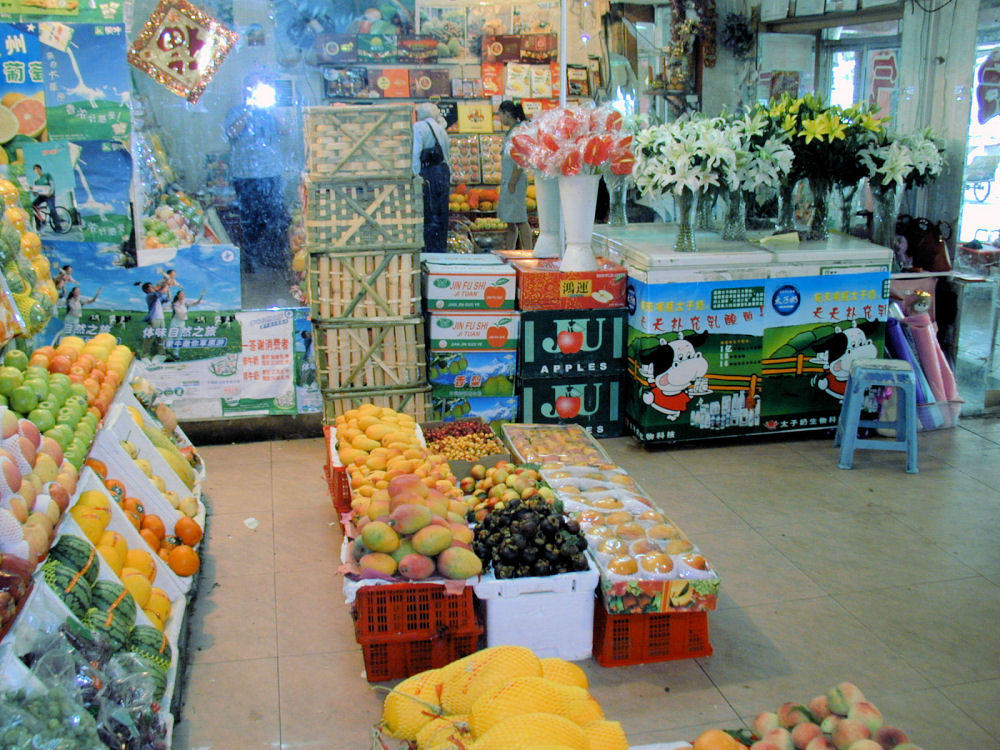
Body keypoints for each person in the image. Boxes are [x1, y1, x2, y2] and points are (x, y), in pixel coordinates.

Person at [225, 74, 291, 283]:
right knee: (250, 220)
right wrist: (249, 110)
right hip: (245, 175)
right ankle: (250, 259)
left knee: (275, 218)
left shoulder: (270, 112)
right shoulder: (236, 111)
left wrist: (271, 110)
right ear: (245, 89)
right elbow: (230, 133)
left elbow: (285, 131)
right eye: (251, 87)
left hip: (271, 172)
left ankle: (275, 258)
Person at [411, 102, 451, 253]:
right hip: (443, 173)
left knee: (429, 215)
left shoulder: (419, 127)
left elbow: (415, 154)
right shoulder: (442, 129)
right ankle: (440, 251)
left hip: (429, 176)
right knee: (441, 217)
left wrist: (414, 177)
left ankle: (429, 253)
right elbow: (447, 156)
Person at [497, 101, 532, 251]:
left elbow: (521, 158)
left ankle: (529, 251)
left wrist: (513, 180)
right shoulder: (512, 131)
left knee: (520, 219)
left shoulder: (517, 132)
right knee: (510, 221)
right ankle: (510, 251)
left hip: (514, 181)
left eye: (500, 114)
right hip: (509, 181)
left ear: (507, 114)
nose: (500, 118)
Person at [137, 279, 170, 360]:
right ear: (147, 290)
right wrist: (166, 283)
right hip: (154, 319)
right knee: (149, 336)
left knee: (161, 337)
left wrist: (169, 289)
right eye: (151, 286)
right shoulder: (150, 296)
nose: (153, 287)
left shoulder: (157, 297)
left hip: (161, 318)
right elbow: (162, 291)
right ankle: (144, 355)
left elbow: (168, 299)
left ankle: (162, 354)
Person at [30, 164, 62, 232]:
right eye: (35, 169)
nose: (37, 170)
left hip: (50, 195)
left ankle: (58, 226)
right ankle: (40, 223)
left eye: (37, 169)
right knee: (33, 206)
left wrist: (50, 192)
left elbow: (52, 185)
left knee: (52, 209)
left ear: (40, 169)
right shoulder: (36, 181)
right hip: (42, 196)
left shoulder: (47, 175)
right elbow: (36, 193)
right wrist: (33, 191)